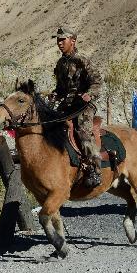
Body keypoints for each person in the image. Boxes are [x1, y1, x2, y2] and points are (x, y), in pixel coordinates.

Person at [48, 26, 104, 188]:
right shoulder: (60, 63)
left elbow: (97, 81)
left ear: (73, 41)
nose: (59, 43)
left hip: (84, 104)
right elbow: (60, 88)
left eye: (62, 40)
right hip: (68, 104)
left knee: (82, 130)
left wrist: (89, 94)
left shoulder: (82, 60)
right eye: (58, 40)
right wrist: (54, 94)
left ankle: (94, 168)